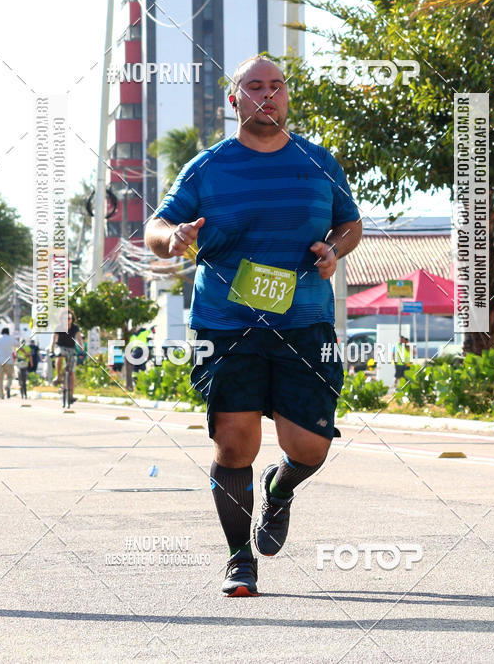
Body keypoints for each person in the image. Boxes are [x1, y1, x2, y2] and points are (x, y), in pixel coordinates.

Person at [145, 55, 362, 597]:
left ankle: (281, 487)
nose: (268, 95)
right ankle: (240, 559)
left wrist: (334, 249)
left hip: (306, 323)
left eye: (277, 87)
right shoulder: (208, 167)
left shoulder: (317, 162)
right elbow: (158, 223)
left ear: (286, 97)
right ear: (234, 100)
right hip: (226, 323)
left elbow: (351, 222)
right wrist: (172, 240)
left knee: (310, 446)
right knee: (235, 442)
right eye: (255, 87)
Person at [52, 311, 83, 402]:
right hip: (60, 347)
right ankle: (58, 376)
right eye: (65, 318)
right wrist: (51, 350)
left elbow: (79, 338)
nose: (67, 320)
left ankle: (71, 395)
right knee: (60, 355)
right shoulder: (59, 327)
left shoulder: (75, 328)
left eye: (69, 319)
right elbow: (54, 340)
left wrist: (81, 349)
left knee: (72, 372)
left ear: (72, 319)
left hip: (71, 348)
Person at [0, 327, 16, 399]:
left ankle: (1, 395)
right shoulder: (11, 338)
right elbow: (18, 344)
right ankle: (7, 386)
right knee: (10, 376)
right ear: (8, 332)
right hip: (9, 361)